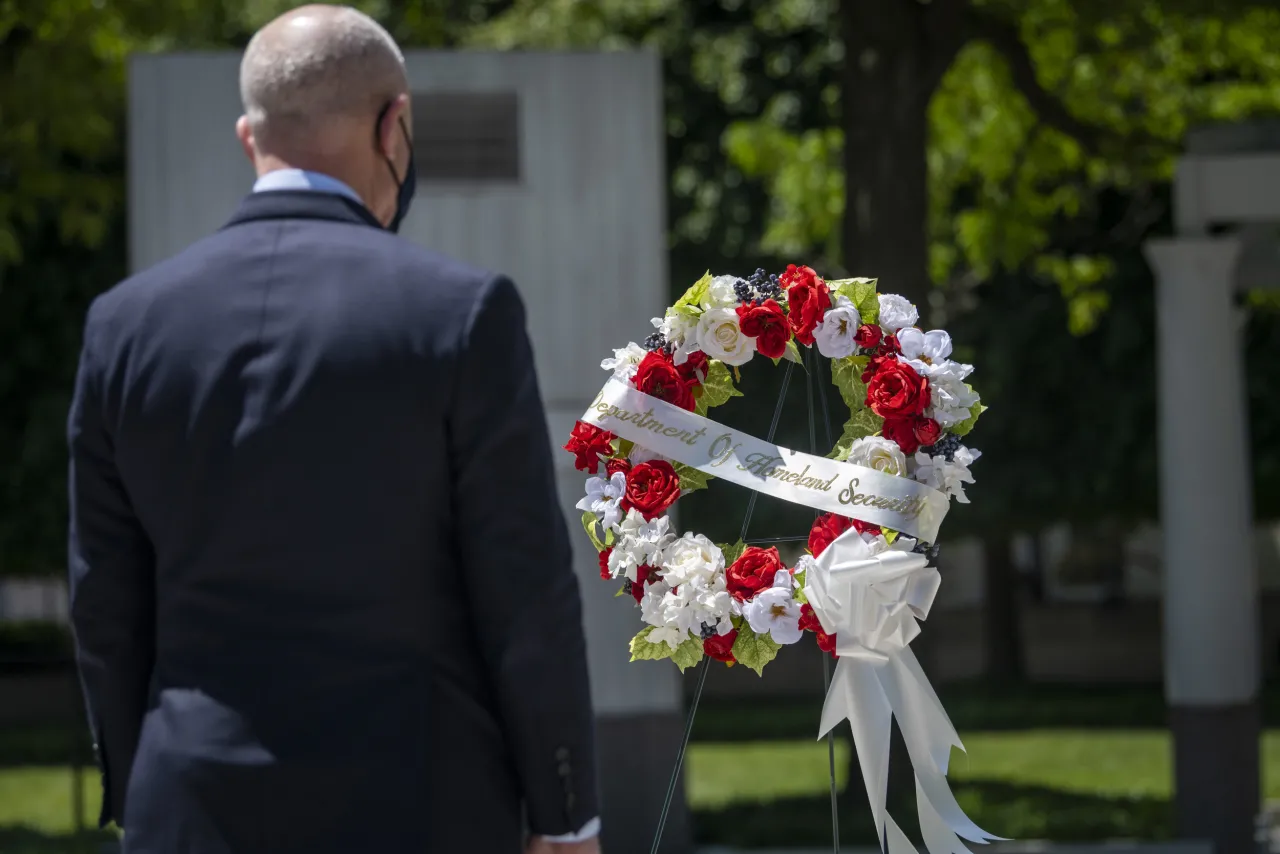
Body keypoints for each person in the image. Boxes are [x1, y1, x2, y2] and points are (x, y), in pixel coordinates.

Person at [66, 6, 600, 852]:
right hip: (420, 804)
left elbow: (105, 599)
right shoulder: (460, 314)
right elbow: (523, 585)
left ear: (250, 138)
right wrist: (567, 813)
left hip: (190, 804)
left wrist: (143, 784)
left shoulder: (122, 325)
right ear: (396, 126)